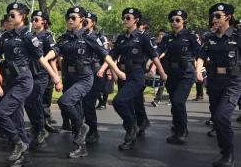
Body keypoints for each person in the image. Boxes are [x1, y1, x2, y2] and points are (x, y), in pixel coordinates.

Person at [0, 2, 61, 167]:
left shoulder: (28, 36)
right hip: (11, 80)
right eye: (8, 16)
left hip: (24, 80)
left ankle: (18, 142)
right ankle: (24, 154)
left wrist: (55, 77)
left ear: (22, 16)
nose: (10, 18)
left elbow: (41, 58)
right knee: (16, 117)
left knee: (0, 112)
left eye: (13, 15)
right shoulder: (5, 36)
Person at [46, 7, 125, 158]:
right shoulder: (65, 38)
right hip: (69, 77)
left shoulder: (90, 38)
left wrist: (116, 71)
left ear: (81, 20)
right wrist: (45, 58)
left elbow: (106, 55)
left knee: (65, 102)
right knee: (76, 110)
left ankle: (84, 128)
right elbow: (55, 51)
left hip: (84, 77)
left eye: (73, 18)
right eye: (68, 17)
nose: (70, 20)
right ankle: (80, 146)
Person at [99, 8, 167, 151]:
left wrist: (161, 72)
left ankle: (132, 129)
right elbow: (111, 55)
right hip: (124, 74)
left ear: (136, 20)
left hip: (137, 74)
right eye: (123, 17)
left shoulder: (143, 37)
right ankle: (138, 124)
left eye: (128, 18)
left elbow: (154, 55)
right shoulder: (121, 38)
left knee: (119, 101)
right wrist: (104, 68)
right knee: (131, 103)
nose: (124, 20)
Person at [196, 3, 241, 167]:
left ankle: (228, 155)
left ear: (228, 17)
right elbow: (202, 55)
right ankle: (224, 152)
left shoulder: (238, 36)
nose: (213, 19)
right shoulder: (210, 37)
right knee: (217, 117)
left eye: (217, 16)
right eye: (212, 16)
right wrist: (198, 69)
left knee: (222, 117)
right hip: (215, 82)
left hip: (233, 82)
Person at [160, 10, 201, 145]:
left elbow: (199, 53)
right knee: (174, 102)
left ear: (184, 21)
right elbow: (159, 51)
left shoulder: (190, 36)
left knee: (178, 101)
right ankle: (179, 125)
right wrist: (152, 64)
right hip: (172, 73)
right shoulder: (167, 37)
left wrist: (198, 70)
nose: (174, 22)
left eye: (177, 20)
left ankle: (181, 131)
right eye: (172, 20)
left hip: (186, 73)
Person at [24, 10, 56, 148]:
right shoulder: (30, 36)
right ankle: (37, 126)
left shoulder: (47, 36)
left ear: (44, 21)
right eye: (33, 19)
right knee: (29, 102)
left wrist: (55, 76)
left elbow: (53, 55)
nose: (34, 22)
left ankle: (41, 129)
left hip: (42, 74)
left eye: (36, 19)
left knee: (35, 100)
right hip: (31, 73)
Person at [81, 12, 108, 144]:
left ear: (93, 23)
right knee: (80, 102)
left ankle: (93, 130)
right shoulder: (79, 35)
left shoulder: (100, 38)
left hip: (96, 70)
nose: (84, 22)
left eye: (87, 20)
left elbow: (107, 56)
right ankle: (81, 128)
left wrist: (103, 70)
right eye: (83, 20)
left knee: (89, 102)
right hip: (82, 72)